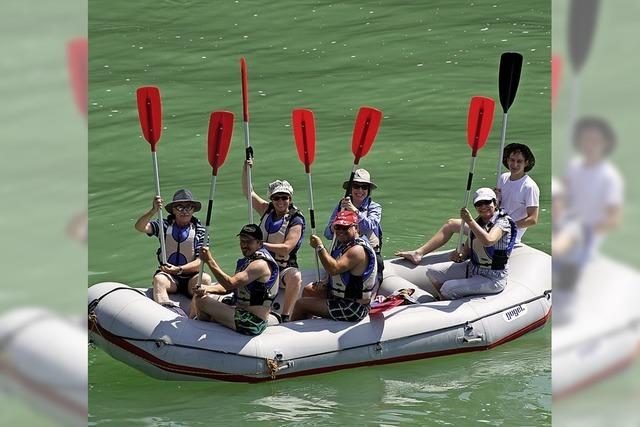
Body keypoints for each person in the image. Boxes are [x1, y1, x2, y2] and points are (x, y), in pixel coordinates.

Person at [395, 143, 538, 264]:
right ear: (507, 160)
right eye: (512, 160)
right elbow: (498, 208)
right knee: (451, 224)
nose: (514, 164)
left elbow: (533, 219)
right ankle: (418, 253)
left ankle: (465, 255)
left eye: (519, 161)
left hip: (505, 233)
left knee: (467, 247)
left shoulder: (529, 186)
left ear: (526, 163)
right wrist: (497, 199)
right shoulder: (504, 177)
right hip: (490, 224)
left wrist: (505, 227)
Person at [425, 188, 516, 300]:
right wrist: (458, 255)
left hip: (492, 277)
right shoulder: (478, 223)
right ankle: (445, 300)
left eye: (487, 202)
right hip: (473, 268)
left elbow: (489, 241)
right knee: (432, 272)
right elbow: (465, 252)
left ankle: (449, 301)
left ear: (495, 202)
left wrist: (470, 221)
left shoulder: (503, 222)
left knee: (448, 288)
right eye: (479, 204)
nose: (483, 206)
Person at [242, 160, 305, 322]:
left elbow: (286, 248)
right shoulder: (266, 209)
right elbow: (248, 192)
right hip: (262, 265)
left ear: (290, 199)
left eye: (285, 197)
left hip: (283, 268)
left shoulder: (295, 220)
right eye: (276, 198)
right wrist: (246, 167)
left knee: (295, 276)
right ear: (272, 199)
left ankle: (286, 316)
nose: (281, 201)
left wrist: (261, 245)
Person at [134, 188, 212, 315]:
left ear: (193, 210)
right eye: (180, 207)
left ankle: (195, 315)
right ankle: (166, 312)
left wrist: (178, 269)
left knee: (205, 279)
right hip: (170, 278)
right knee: (159, 279)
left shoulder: (200, 230)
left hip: (191, 277)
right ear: (174, 210)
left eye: (189, 207)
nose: (185, 211)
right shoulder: (164, 225)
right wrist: (153, 210)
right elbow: (140, 227)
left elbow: (200, 262)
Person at [291, 210, 377, 322]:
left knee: (301, 304)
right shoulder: (346, 246)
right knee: (309, 290)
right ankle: (308, 323)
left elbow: (334, 269)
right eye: (337, 227)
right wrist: (326, 285)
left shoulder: (357, 250)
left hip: (353, 307)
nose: (340, 231)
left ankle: (291, 329)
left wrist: (320, 247)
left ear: (355, 227)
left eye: (345, 227)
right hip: (341, 298)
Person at [193, 224, 279, 336]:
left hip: (252, 322)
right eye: (242, 241)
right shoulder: (249, 261)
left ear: (259, 243)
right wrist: (207, 289)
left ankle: (199, 334)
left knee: (201, 301)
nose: (244, 245)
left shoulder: (260, 264)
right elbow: (230, 288)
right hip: (241, 313)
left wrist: (209, 260)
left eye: (248, 242)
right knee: (203, 296)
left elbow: (230, 284)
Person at [564, 117, 623, 255]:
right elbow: (567, 201)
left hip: (587, 235)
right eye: (586, 140)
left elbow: (614, 219)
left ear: (605, 144)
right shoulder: (574, 166)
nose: (590, 145)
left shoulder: (610, 177)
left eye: (595, 141)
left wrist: (585, 233)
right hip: (566, 225)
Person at [324, 168, 382, 253]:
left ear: (368, 190)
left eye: (364, 187)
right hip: (344, 251)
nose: (360, 190)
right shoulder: (341, 206)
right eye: (356, 186)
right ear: (351, 188)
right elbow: (328, 235)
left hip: (367, 253)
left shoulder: (374, 207)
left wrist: (354, 210)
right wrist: (335, 227)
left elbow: (370, 225)